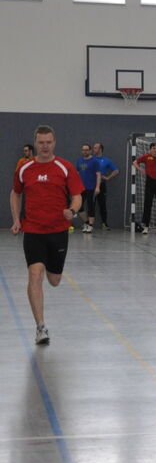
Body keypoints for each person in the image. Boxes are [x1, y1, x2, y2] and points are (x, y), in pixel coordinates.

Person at [10, 125, 84, 345]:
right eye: (41, 142)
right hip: (33, 230)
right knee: (35, 274)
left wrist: (72, 210)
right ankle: (40, 327)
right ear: (35, 143)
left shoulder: (65, 167)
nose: (44, 146)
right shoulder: (24, 168)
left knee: (54, 280)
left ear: (54, 143)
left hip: (58, 231)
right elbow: (15, 193)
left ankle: (54, 272)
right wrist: (16, 219)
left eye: (48, 142)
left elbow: (77, 196)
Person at [92, 143, 119, 230]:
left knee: (102, 204)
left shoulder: (106, 160)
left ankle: (104, 224)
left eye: (95, 148)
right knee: (90, 204)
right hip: (91, 185)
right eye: (93, 148)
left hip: (101, 185)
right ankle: (89, 224)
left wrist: (108, 177)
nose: (93, 149)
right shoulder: (91, 159)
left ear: (100, 149)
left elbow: (116, 170)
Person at [75, 143, 101, 233]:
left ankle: (90, 225)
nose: (85, 151)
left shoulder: (95, 161)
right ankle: (86, 222)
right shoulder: (79, 161)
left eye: (86, 150)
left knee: (90, 206)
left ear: (90, 151)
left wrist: (97, 187)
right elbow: (77, 173)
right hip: (81, 188)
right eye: (83, 150)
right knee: (79, 206)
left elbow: (98, 174)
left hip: (91, 187)